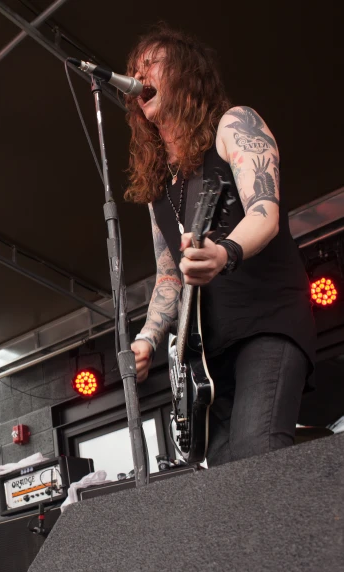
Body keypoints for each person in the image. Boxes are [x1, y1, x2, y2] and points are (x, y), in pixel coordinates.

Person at [124, 25, 316, 466]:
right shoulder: (159, 191)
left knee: (258, 461)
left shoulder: (235, 124)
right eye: (135, 69)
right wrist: (148, 340)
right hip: (206, 360)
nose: (139, 74)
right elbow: (168, 275)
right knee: (228, 489)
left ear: (187, 75)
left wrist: (225, 252)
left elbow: (265, 210)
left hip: (266, 325)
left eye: (152, 63)